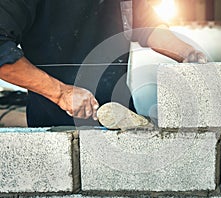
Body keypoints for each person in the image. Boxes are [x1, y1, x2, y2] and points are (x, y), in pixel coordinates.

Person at [0, 0, 207, 127]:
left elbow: (148, 26)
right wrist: (62, 93)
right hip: (56, 127)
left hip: (121, 120)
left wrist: (187, 52)